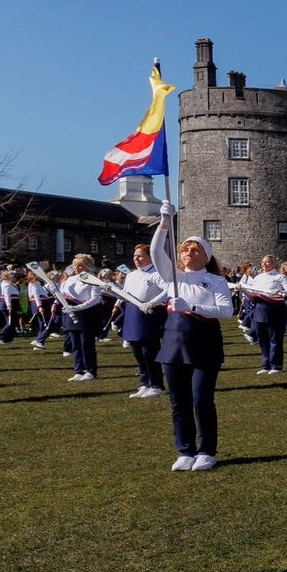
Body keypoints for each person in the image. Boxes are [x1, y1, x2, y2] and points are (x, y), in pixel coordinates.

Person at [151, 201, 232, 471]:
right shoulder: (172, 276)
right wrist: (164, 223)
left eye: (194, 249)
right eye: (184, 248)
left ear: (206, 256)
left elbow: (225, 311)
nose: (188, 252)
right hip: (174, 343)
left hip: (205, 343)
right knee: (179, 401)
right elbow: (155, 252)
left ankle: (207, 450)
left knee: (201, 398)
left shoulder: (216, 280)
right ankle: (184, 450)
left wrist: (192, 307)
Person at [121, 243, 169, 398]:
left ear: (150, 257)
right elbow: (126, 294)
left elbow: (168, 290)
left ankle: (156, 385)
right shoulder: (131, 275)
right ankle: (144, 383)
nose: (136, 259)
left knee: (149, 351)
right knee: (136, 350)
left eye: (140, 256)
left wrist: (152, 303)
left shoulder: (157, 273)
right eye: (135, 256)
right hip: (133, 314)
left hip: (150, 314)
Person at [56, 255, 106, 381]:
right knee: (75, 345)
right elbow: (62, 295)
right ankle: (79, 370)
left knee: (86, 344)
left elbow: (95, 299)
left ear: (87, 266)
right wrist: (55, 295)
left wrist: (77, 308)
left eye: (80, 265)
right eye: (75, 265)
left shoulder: (93, 279)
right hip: (70, 313)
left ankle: (90, 371)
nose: (76, 268)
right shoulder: (69, 280)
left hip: (86, 314)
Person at [246, 255, 287, 374]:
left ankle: (276, 366)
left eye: (267, 262)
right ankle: (265, 365)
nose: (264, 264)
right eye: (263, 262)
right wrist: (243, 290)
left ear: (274, 263)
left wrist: (280, 293)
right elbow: (252, 296)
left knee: (275, 339)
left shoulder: (279, 277)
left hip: (275, 311)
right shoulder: (257, 278)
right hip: (259, 311)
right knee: (262, 340)